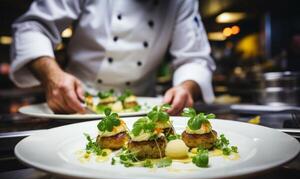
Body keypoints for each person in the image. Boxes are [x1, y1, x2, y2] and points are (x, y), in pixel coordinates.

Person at [10, 0, 216, 115]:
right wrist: (52, 76)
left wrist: (185, 88)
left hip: (143, 113)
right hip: (76, 105)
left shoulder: (182, 2)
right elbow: (32, 28)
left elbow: (194, 58)